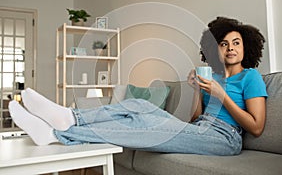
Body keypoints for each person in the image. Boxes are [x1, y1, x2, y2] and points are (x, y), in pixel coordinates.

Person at [9, 16, 267, 156]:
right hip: (200, 129)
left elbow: (255, 127)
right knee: (139, 105)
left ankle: (57, 134)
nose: (230, 48)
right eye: (224, 43)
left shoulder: (250, 77)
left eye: (236, 43)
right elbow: (196, 119)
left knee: (143, 123)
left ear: (246, 48)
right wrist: (199, 90)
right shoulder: (214, 78)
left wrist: (222, 95)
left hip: (225, 138)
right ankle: (70, 117)